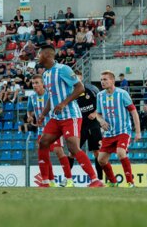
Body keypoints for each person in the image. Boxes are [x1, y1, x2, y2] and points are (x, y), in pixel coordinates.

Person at [37, 45, 104, 187]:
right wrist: (43, 114)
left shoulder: (63, 69)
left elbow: (80, 88)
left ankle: (95, 180)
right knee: (43, 142)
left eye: (39, 54)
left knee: (73, 147)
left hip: (71, 115)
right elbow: (51, 97)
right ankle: (45, 181)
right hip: (56, 118)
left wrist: (63, 103)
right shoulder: (46, 74)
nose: (37, 56)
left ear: (48, 56)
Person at [95, 70, 141, 188]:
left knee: (121, 153)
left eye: (105, 79)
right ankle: (113, 182)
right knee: (101, 160)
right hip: (109, 133)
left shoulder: (122, 94)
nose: (102, 82)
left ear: (112, 80)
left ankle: (130, 182)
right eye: (101, 80)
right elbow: (98, 114)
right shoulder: (100, 95)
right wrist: (101, 121)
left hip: (123, 130)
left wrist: (138, 131)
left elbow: (134, 112)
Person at [27, 75, 73, 187]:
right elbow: (29, 110)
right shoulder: (32, 97)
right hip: (40, 131)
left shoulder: (50, 95)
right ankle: (50, 181)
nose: (34, 85)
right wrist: (30, 117)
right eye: (33, 83)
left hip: (53, 129)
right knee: (44, 155)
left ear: (43, 84)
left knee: (58, 151)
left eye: (37, 82)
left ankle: (69, 179)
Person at [67, 70, 103, 181]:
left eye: (77, 76)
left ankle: (100, 179)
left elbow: (102, 103)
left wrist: (95, 113)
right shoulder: (70, 92)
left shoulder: (91, 89)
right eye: (73, 77)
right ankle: (67, 178)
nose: (75, 79)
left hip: (93, 124)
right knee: (72, 152)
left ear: (81, 77)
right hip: (79, 125)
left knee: (97, 152)